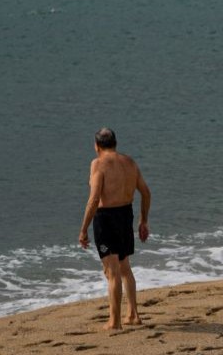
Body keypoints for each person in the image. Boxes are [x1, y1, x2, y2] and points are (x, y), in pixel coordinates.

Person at [78, 128, 151, 331]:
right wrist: (144, 221)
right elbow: (146, 193)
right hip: (126, 215)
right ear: (115, 143)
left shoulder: (98, 164)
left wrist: (83, 229)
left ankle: (114, 321)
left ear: (96, 146)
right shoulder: (130, 162)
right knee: (124, 267)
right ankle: (133, 314)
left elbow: (94, 199)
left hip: (106, 219)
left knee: (112, 272)